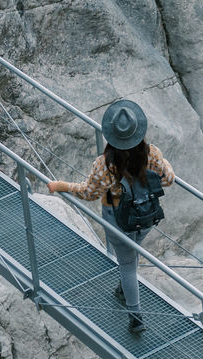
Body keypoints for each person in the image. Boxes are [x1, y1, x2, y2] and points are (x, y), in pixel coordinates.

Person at [48, 99, 174, 334]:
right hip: (146, 216)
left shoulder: (104, 164)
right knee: (131, 254)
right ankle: (122, 288)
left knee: (127, 266)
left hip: (119, 220)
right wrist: (162, 159)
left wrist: (61, 185)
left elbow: (89, 193)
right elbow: (168, 179)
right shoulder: (151, 154)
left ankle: (136, 317)